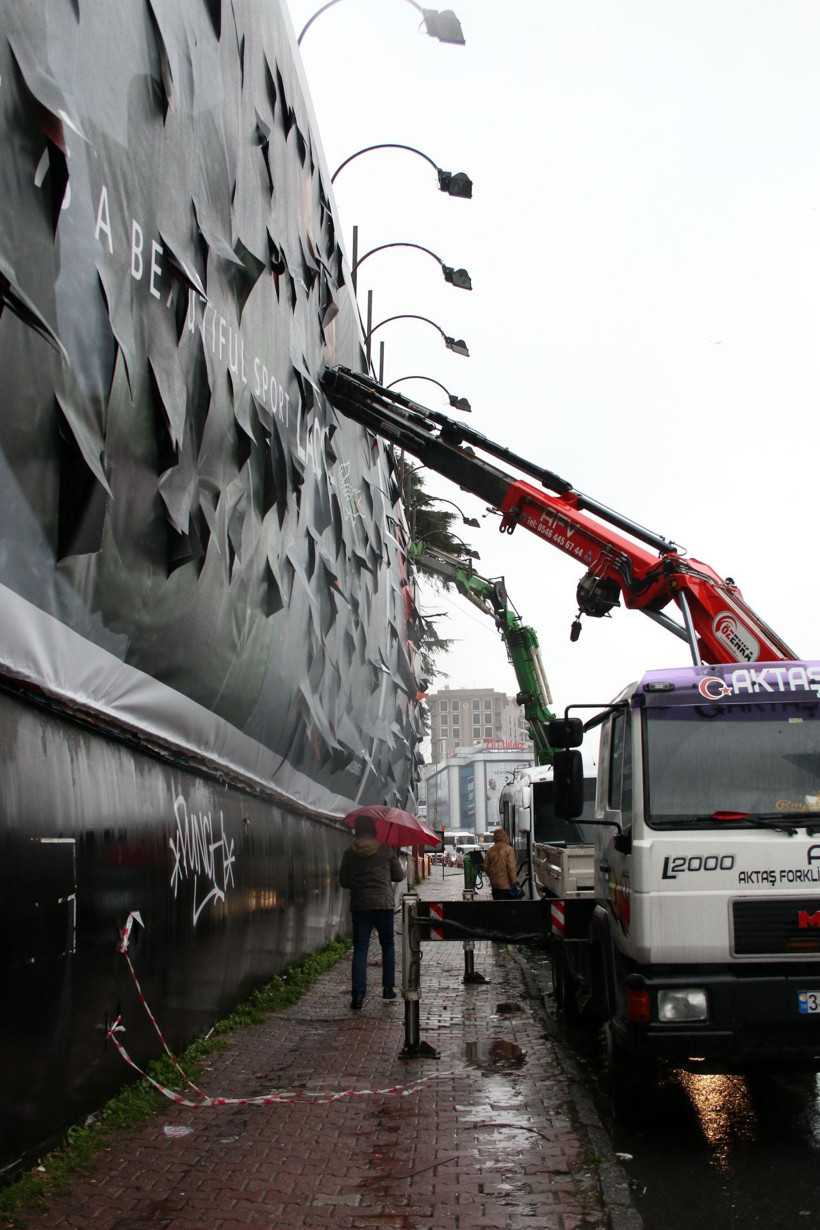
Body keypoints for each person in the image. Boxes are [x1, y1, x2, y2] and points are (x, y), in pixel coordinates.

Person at [339, 814, 406, 1010]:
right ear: (374, 830)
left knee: (360, 949)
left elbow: (343, 881)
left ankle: (358, 997)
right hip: (383, 905)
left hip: (360, 905)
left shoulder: (349, 853)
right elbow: (399, 876)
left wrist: (359, 883)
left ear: (357, 831)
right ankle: (388, 988)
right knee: (388, 945)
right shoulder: (385, 850)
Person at [482, 827, 518, 899]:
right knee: (506, 907)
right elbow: (511, 869)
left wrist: (492, 875)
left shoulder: (490, 850)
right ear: (505, 837)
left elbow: (485, 867)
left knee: (497, 906)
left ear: (494, 838)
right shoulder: (509, 850)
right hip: (506, 886)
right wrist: (514, 884)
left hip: (495, 885)